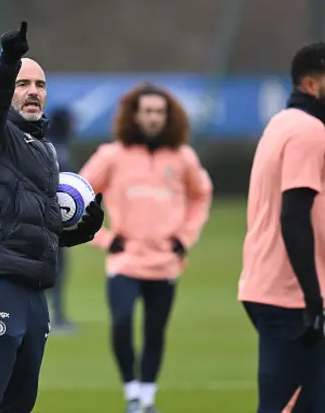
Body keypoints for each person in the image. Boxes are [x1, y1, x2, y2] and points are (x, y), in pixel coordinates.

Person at [0, 21, 105, 413]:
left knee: (20, 401)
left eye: (40, 85)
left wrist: (75, 232)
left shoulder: (44, 150)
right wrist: (5, 63)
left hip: (33, 286)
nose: (33, 91)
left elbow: (34, 223)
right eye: (23, 84)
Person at [79, 83, 213, 413]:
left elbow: (201, 195)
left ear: (168, 117)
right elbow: (77, 195)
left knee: (155, 331)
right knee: (122, 323)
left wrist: (185, 237)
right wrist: (106, 240)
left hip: (165, 262)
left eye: (160, 112)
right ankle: (131, 390)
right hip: (125, 261)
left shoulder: (183, 157)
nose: (154, 117)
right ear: (135, 115)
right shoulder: (111, 155)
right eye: (148, 111)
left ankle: (147, 398)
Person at [238, 42, 325, 413]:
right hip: (290, 297)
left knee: (314, 405)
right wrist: (313, 299)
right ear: (310, 84)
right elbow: (293, 216)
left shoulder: (284, 122)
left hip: (273, 288)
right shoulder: (308, 130)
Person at [46, 106, 76, 332]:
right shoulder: (53, 146)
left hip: (59, 220)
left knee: (58, 269)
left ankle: (55, 315)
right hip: (47, 219)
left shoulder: (58, 145)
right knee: (53, 269)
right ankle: (54, 317)